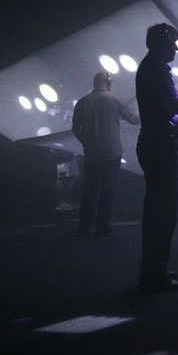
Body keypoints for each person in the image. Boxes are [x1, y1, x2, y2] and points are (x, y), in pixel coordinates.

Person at [135, 23, 178, 292]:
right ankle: (154, 274)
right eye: (172, 42)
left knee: (158, 210)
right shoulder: (154, 69)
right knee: (162, 213)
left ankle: (154, 269)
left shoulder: (153, 67)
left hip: (158, 144)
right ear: (160, 42)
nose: (176, 48)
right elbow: (173, 105)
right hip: (161, 146)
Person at [71, 71, 140, 234]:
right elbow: (132, 120)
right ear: (108, 82)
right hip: (112, 151)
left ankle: (84, 225)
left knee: (89, 190)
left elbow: (75, 128)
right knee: (107, 190)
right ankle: (101, 225)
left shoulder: (83, 102)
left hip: (91, 152)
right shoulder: (116, 100)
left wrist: (86, 142)